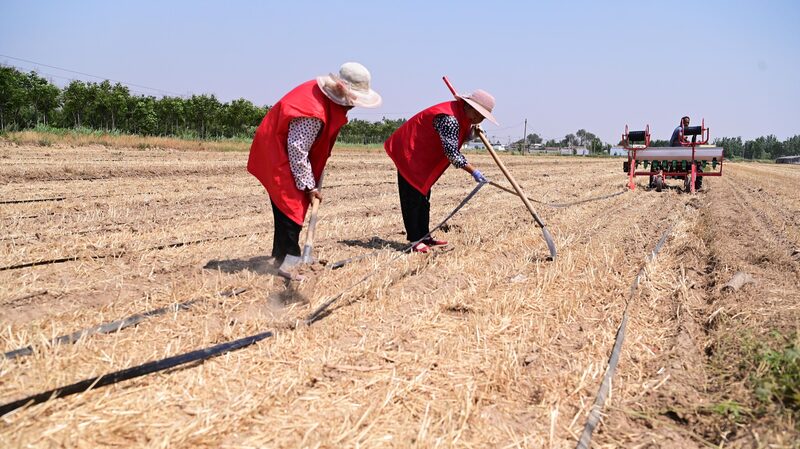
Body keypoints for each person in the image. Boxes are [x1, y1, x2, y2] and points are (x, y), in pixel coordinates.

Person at [247, 62, 381, 277]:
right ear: (341, 92)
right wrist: (309, 187)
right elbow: (297, 150)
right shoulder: (312, 111)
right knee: (291, 207)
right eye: (353, 100)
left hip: (283, 147)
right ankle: (290, 262)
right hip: (277, 152)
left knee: (287, 206)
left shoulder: (322, 100)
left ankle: (280, 256)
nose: (353, 106)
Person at [384, 89, 497, 253]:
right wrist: (474, 171)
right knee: (412, 198)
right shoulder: (449, 118)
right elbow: (452, 153)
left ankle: (425, 236)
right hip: (410, 152)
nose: (480, 119)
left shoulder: (462, 116)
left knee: (424, 197)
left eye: (483, 117)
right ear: (469, 107)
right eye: (479, 114)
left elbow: (458, 136)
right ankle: (415, 240)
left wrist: (472, 134)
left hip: (423, 156)